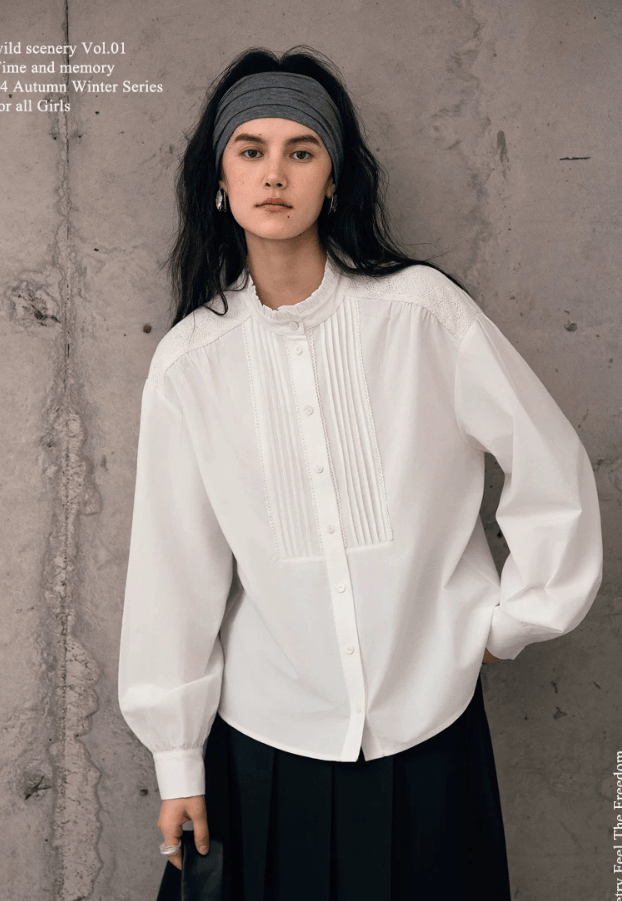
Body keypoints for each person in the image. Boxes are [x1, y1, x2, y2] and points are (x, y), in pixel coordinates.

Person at [118, 46, 603, 900]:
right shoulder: (190, 363)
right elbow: (173, 571)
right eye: (251, 150)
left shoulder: (422, 314)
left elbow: (549, 461)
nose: (276, 173)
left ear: (334, 179)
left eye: (302, 151)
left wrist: (510, 622)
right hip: (266, 739)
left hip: (429, 726)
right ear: (219, 180)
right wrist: (178, 760)